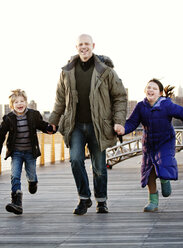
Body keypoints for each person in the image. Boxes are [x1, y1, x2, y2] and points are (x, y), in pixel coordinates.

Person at [49, 34, 127, 215]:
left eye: (87, 44)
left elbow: (120, 97)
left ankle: (101, 201)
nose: (84, 47)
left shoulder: (106, 71)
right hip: (75, 125)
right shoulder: (66, 71)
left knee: (99, 166)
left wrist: (118, 121)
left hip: (99, 126)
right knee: (75, 160)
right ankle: (84, 198)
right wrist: (53, 121)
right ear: (76, 47)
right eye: (80, 44)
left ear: (93, 46)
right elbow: (60, 99)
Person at [115, 79, 183, 212]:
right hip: (148, 144)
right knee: (149, 172)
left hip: (165, 142)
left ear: (159, 93)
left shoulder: (167, 105)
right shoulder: (141, 106)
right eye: (148, 88)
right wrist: (123, 129)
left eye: (154, 88)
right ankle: (152, 202)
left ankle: (165, 180)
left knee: (164, 163)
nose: (150, 90)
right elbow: (132, 122)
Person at [0, 89, 55, 215]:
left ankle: (33, 182)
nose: (19, 104)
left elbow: (42, 125)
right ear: (12, 105)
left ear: (26, 102)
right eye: (16, 102)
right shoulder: (8, 118)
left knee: (31, 174)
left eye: (22, 101)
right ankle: (17, 202)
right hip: (16, 152)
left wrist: (50, 128)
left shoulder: (33, 115)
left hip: (30, 152)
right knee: (15, 175)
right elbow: (0, 134)